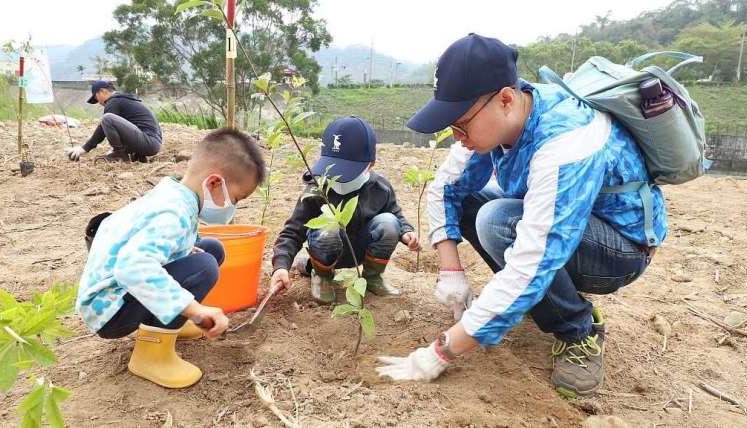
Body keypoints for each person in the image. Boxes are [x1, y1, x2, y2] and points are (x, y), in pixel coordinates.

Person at [376, 34, 665, 398]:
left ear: (506, 100)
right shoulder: (501, 120)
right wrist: (450, 270)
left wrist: (440, 352)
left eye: (461, 125)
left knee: (498, 221)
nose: (456, 136)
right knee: (477, 205)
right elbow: (445, 188)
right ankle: (544, 301)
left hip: (622, 249)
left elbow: (534, 259)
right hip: (567, 228)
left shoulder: (565, 141)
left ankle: (579, 331)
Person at [76, 128, 265, 388]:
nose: (233, 206)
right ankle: (152, 355)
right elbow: (132, 268)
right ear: (213, 183)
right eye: (236, 198)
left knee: (210, 249)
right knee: (204, 267)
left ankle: (172, 321)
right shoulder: (172, 214)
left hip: (119, 290)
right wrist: (195, 309)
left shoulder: (174, 194)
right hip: (110, 309)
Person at [270, 116, 422, 303]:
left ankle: (372, 277)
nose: (339, 178)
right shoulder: (317, 190)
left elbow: (395, 212)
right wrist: (281, 266)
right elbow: (293, 231)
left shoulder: (380, 188)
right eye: (333, 169)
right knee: (328, 227)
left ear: (370, 164)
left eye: (346, 170)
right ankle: (321, 275)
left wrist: (406, 232)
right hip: (326, 251)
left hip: (361, 250)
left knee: (389, 223)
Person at [67, 80, 163, 163]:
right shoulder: (123, 100)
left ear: (102, 91)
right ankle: (136, 155)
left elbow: (102, 129)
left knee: (107, 118)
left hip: (149, 141)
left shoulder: (113, 101)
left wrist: (84, 148)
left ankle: (119, 154)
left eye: (96, 98)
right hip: (153, 143)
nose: (99, 103)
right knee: (111, 121)